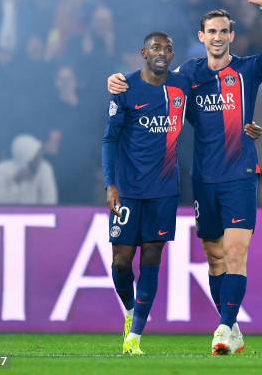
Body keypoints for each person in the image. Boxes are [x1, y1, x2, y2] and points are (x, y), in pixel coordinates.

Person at [107, 0, 262, 355]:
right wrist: (118, 81)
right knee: (215, 255)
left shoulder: (248, 69)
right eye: (213, 31)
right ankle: (233, 325)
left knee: (236, 252)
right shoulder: (187, 75)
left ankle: (221, 328)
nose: (219, 37)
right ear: (201, 37)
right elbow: (151, 79)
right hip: (203, 179)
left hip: (240, 174)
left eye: (225, 31)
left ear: (232, 36)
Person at [102, 31, 190, 355]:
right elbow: (109, 139)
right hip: (127, 190)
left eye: (168, 48)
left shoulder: (181, 87)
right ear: (143, 52)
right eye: (156, 47)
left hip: (165, 189)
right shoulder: (124, 87)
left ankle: (135, 336)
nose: (162, 52)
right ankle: (129, 311)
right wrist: (110, 184)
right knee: (122, 262)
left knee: (152, 254)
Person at [0, 134, 57, 205]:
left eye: (39, 155)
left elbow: (50, 202)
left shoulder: (45, 168)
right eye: (35, 156)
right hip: (10, 215)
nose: (39, 160)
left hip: (38, 215)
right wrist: (16, 183)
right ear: (24, 159)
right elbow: (2, 204)